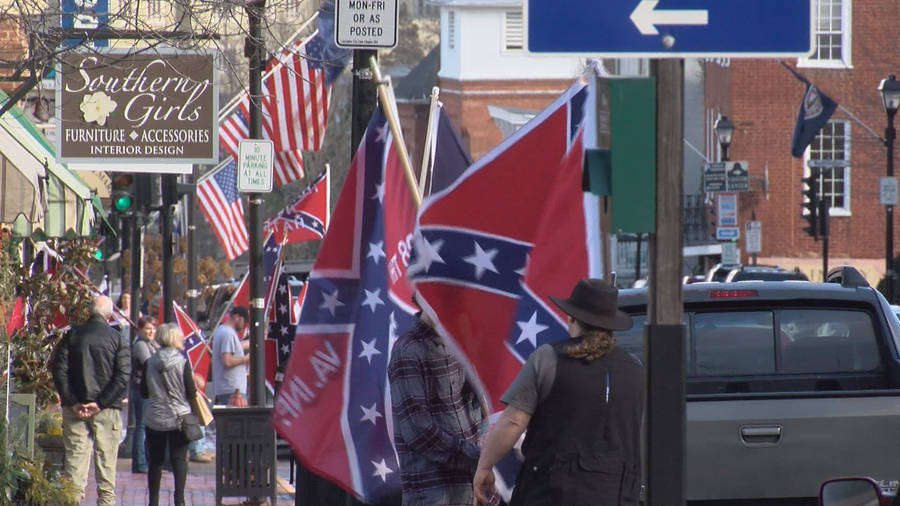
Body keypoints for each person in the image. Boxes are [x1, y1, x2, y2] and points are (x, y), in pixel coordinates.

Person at [473, 278, 643, 506]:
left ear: (571, 317)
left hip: (551, 492)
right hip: (617, 494)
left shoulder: (548, 358)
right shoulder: (634, 367)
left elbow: (513, 421)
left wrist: (484, 466)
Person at [387, 299, 485, 505]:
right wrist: (479, 458)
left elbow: (479, 412)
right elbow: (418, 432)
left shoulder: (464, 340)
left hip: (471, 490)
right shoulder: (408, 350)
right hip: (433, 494)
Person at [51, 295, 131, 506]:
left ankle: (72, 501)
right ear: (109, 314)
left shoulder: (72, 336)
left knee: (74, 467)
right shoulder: (117, 339)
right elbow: (122, 376)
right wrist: (101, 402)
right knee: (107, 467)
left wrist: (73, 400)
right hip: (107, 410)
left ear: (89, 312)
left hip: (75, 409)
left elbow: (59, 370)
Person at [142, 322, 197, 506]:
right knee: (179, 459)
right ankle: (179, 500)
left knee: (155, 461)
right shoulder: (182, 363)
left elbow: (144, 392)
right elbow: (191, 393)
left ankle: (153, 501)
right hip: (179, 418)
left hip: (154, 417)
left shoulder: (149, 362)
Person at [130, 315, 158, 473]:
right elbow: (151, 363)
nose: (151, 331)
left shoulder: (149, 343)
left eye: (153, 328)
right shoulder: (140, 345)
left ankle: (145, 460)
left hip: (146, 389)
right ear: (140, 330)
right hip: (140, 390)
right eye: (148, 328)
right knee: (140, 426)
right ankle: (139, 463)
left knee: (145, 426)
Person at [211, 306, 250, 404]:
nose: (244, 326)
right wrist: (246, 358)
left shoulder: (222, 331)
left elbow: (237, 347)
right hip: (232, 390)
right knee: (236, 419)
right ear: (237, 317)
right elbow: (227, 361)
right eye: (244, 322)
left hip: (227, 388)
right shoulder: (228, 333)